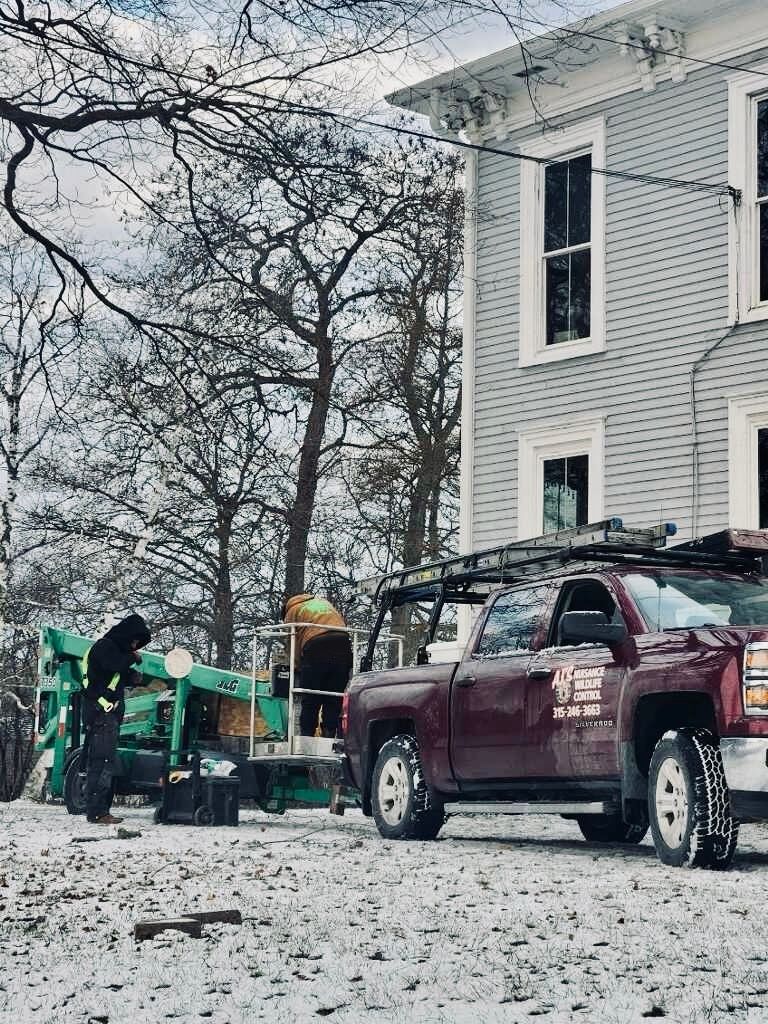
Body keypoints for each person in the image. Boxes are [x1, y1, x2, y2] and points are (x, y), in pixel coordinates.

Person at [81, 613, 151, 824]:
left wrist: (136, 678)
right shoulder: (105, 646)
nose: (134, 646)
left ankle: (99, 810)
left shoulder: (111, 652)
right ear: (126, 635)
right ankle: (97, 812)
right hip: (102, 714)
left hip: (105, 715)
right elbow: (115, 665)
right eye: (134, 641)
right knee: (102, 762)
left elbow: (117, 674)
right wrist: (134, 658)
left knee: (104, 762)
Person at [282, 594, 352, 738]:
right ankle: (329, 735)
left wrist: (296, 666)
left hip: (316, 647)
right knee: (334, 696)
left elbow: (292, 642)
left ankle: (306, 737)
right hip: (343, 645)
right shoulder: (322, 602)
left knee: (311, 697)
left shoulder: (292, 610)